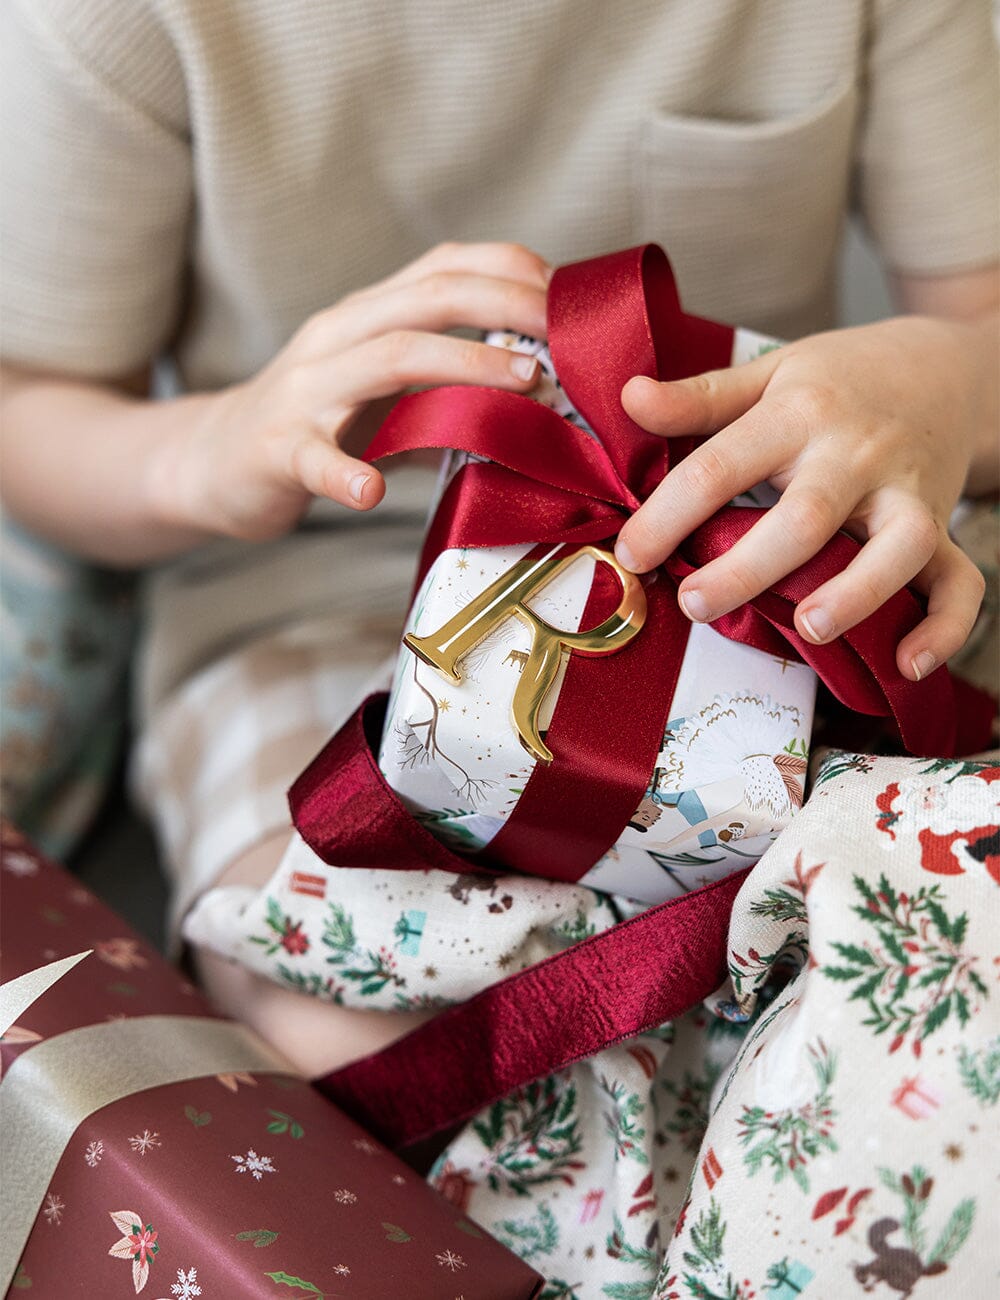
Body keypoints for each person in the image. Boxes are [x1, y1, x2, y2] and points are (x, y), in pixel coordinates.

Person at [1, 0, 998, 1291]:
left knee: (912, 920)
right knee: (333, 1021)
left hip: (770, 573)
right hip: (313, 594)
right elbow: (30, 401)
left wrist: (937, 381)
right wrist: (217, 445)